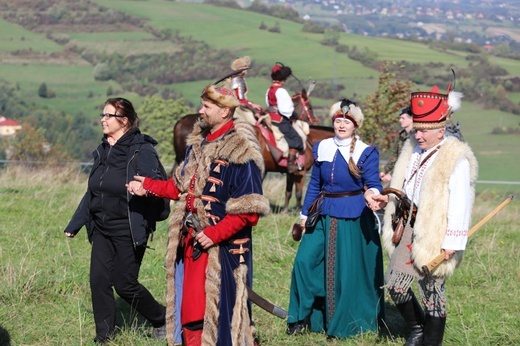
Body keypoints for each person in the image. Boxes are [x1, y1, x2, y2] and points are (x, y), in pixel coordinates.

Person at [127, 82, 270, 346]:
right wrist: (147, 186)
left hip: (224, 249)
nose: (201, 111)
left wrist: (214, 234)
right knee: (191, 310)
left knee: (222, 316)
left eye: (207, 106)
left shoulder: (241, 151)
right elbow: (180, 186)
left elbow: (249, 210)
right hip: (192, 241)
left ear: (224, 112)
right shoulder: (198, 144)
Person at [371, 84, 478, 346]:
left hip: (436, 230)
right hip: (407, 224)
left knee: (433, 291)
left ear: (440, 130)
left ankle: (431, 342)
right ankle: (417, 329)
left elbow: (461, 203)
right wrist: (388, 199)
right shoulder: (413, 150)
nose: (417, 135)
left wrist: (452, 242)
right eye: (416, 129)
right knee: (395, 284)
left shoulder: (455, 159)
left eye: (423, 130)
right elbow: (406, 185)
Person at [64, 97, 168, 343]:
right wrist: (75, 223)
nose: (102, 119)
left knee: (125, 285)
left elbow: (159, 184)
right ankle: (104, 337)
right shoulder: (103, 150)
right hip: (101, 227)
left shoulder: (142, 150)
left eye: (107, 115)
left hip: (128, 228)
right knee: (98, 281)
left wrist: (145, 190)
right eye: (102, 115)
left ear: (123, 121)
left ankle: (161, 318)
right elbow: (93, 190)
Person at [286, 99, 385, 339]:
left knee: (344, 272)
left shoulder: (366, 152)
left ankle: (343, 323)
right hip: (322, 213)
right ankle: (299, 317)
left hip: (353, 215)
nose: (341, 125)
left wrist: (373, 195)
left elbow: (373, 184)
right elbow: (315, 185)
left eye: (346, 121)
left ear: (355, 125)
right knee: (304, 261)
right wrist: (304, 215)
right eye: (338, 120)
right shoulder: (322, 147)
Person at [266, 62, 304, 174]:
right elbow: (285, 110)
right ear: (283, 79)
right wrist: (294, 115)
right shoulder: (281, 91)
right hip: (280, 120)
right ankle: (291, 166)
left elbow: (269, 105)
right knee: (297, 140)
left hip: (270, 118)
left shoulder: (269, 90)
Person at [380, 106, 413, 183]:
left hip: (409, 175)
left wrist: (392, 174)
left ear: (411, 118)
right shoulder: (401, 135)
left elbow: (408, 160)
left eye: (403, 118)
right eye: (400, 118)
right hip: (398, 172)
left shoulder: (416, 136)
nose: (400, 120)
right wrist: (385, 171)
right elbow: (394, 156)